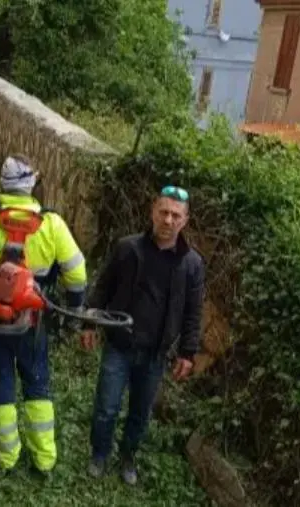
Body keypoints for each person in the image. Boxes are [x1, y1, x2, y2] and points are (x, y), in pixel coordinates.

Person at [0, 154, 88, 476]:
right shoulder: (52, 225)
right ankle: (44, 459)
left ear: (3, 185)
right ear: (31, 185)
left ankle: (7, 456)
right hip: (33, 323)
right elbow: (77, 274)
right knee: (37, 381)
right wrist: (74, 309)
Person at [81, 185, 205, 485]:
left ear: (185, 221)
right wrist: (88, 322)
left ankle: (128, 457)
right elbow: (103, 287)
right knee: (106, 407)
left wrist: (188, 353)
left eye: (176, 215)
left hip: (155, 354)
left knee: (140, 413)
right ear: (152, 212)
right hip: (119, 346)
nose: (168, 220)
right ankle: (99, 454)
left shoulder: (191, 265)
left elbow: (193, 313)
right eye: (163, 212)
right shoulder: (128, 248)